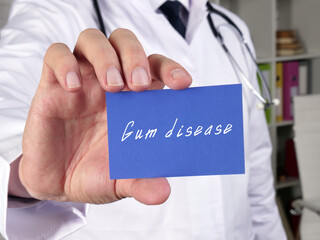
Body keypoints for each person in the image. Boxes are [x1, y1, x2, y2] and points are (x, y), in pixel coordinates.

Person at [0, 0, 287, 239]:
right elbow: (6, 90)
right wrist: (24, 175)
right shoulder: (55, 12)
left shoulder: (230, 29)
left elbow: (257, 170)